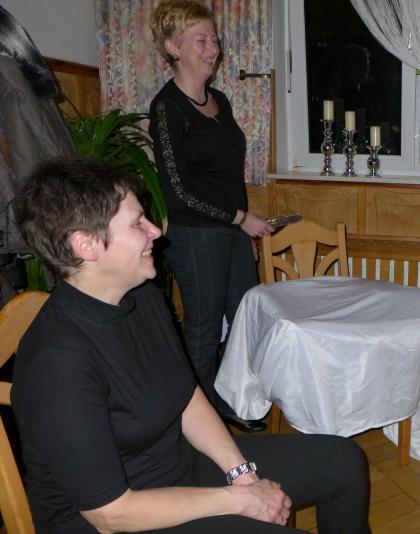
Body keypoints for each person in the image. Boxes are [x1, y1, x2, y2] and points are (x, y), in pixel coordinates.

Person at [12, 157, 371, 533]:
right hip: (122, 518)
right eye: (137, 223)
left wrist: (242, 475)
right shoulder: (56, 363)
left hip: (177, 470)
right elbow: (110, 513)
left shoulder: (141, 296)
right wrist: (242, 500)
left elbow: (187, 396)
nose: (156, 231)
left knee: (342, 461)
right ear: (85, 244)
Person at [148, 1, 272, 432]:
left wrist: (242, 226)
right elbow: (177, 193)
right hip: (195, 236)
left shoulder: (220, 100)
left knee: (245, 319)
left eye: (214, 39)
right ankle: (199, 422)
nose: (212, 48)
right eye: (200, 40)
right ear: (172, 47)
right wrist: (240, 219)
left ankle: (232, 397)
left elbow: (228, 177)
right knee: (202, 332)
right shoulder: (167, 108)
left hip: (231, 229)